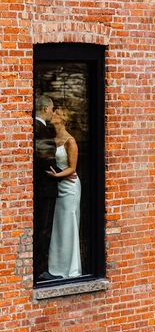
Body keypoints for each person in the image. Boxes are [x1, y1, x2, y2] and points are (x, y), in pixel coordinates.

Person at [46, 108, 82, 279]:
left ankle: (71, 269)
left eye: (56, 114)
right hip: (59, 185)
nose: (53, 115)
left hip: (70, 186)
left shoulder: (70, 141)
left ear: (62, 119)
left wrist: (56, 176)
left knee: (69, 225)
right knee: (59, 226)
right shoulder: (52, 138)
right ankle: (57, 267)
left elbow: (72, 168)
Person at [34, 95, 59, 280]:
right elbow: (44, 160)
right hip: (45, 188)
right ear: (45, 109)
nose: (52, 112)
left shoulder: (37, 127)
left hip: (42, 188)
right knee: (43, 228)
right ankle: (40, 271)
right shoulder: (40, 129)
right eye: (51, 109)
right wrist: (62, 173)